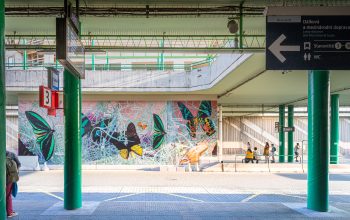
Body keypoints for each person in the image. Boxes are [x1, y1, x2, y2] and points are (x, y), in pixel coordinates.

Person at [6, 150, 21, 218]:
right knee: (8, 195)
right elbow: (19, 164)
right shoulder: (12, 154)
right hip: (10, 179)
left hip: (5, 178)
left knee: (6, 195)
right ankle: (9, 212)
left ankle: (9, 211)